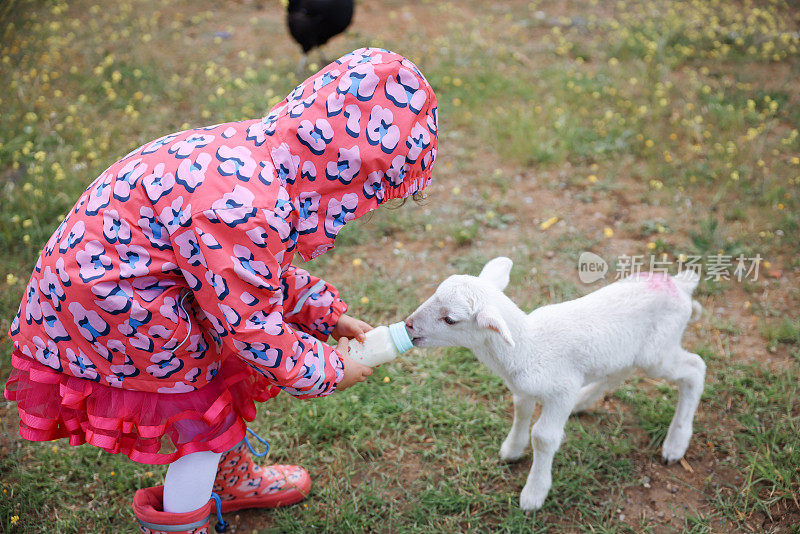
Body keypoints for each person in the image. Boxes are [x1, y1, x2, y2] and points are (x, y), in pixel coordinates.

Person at [4, 47, 438, 533]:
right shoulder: (247, 207)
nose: (364, 209)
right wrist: (331, 367)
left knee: (215, 378)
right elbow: (251, 326)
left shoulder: (259, 159)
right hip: (113, 306)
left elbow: (246, 275)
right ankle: (182, 523)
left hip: (119, 286)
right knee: (199, 421)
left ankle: (229, 483)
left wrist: (321, 313)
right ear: (342, 177)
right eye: (370, 193)